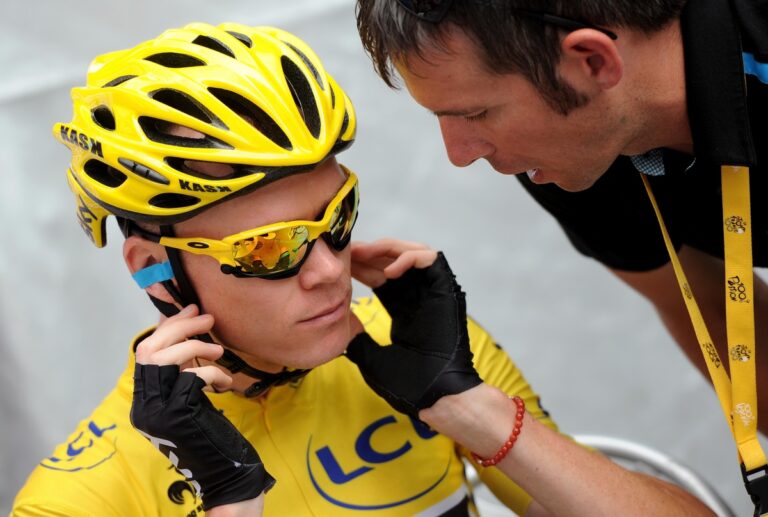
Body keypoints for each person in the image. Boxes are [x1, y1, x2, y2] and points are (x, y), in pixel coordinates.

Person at [12, 22, 712, 517]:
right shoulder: (80, 496)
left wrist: (470, 409)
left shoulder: (402, 347)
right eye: (270, 248)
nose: (328, 270)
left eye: (338, 218)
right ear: (154, 271)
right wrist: (230, 503)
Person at [355, 0, 768, 508]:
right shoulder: (569, 149)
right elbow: (718, 309)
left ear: (592, 61)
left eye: (477, 113)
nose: (459, 154)